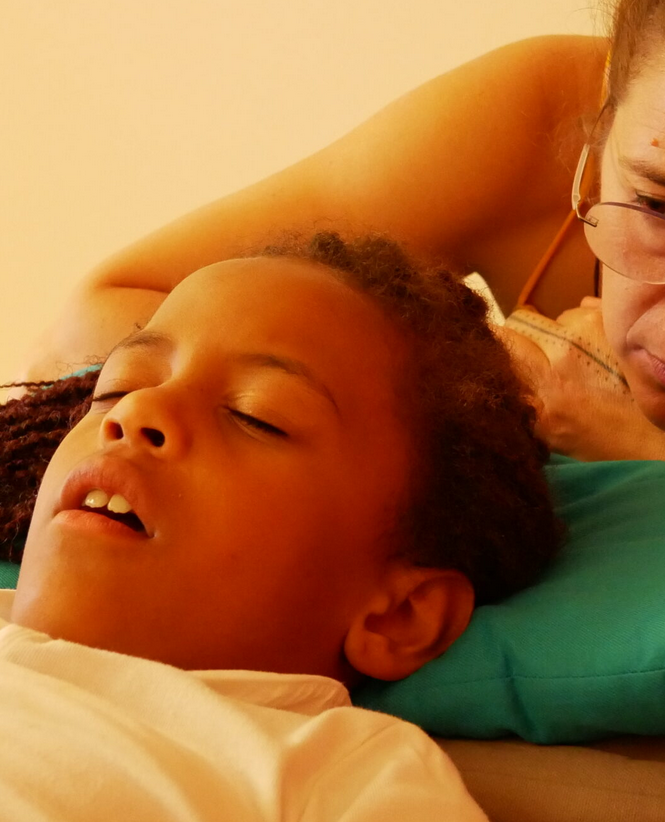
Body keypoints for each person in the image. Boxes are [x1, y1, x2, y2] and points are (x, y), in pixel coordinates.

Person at [12, 0, 665, 715]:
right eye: (656, 205)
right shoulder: (525, 120)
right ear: (596, 135)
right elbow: (109, 311)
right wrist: (476, 388)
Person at [0, 232, 562, 821]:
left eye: (256, 415)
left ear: (399, 615)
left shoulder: (335, 776)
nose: (136, 410)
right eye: (119, 386)